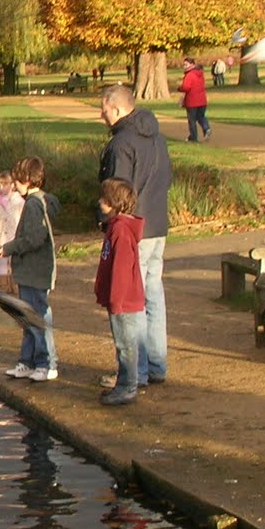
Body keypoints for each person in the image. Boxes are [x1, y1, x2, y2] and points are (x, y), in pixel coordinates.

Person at [98, 84, 171, 387]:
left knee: (131, 301)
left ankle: (134, 372)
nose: (101, 114)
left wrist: (109, 222)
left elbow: (117, 190)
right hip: (157, 225)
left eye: (103, 108)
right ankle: (155, 365)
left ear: (115, 109)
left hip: (131, 229)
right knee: (152, 294)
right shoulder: (156, 136)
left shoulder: (121, 144)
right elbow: (168, 176)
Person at [0, 155, 60, 381]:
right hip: (31, 272)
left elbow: (33, 239)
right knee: (27, 318)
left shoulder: (34, 204)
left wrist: (8, 248)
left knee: (36, 318)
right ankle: (27, 362)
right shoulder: (39, 200)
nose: (14, 185)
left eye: (17, 181)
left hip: (35, 272)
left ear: (27, 180)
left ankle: (46, 363)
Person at [94, 177, 147, 407]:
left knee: (127, 345)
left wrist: (116, 299)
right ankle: (123, 383)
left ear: (114, 202)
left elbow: (122, 270)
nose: (99, 202)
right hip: (119, 299)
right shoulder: (115, 227)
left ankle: (128, 387)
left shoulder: (121, 231)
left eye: (104, 198)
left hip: (124, 301)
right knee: (122, 344)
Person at [178, 57, 210, 142]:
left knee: (191, 120)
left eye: (186, 65)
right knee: (201, 117)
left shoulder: (189, 75)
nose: (184, 66)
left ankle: (193, 137)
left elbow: (186, 87)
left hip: (192, 101)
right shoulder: (200, 74)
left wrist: (180, 88)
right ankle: (206, 128)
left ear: (192, 65)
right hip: (202, 100)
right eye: (184, 65)